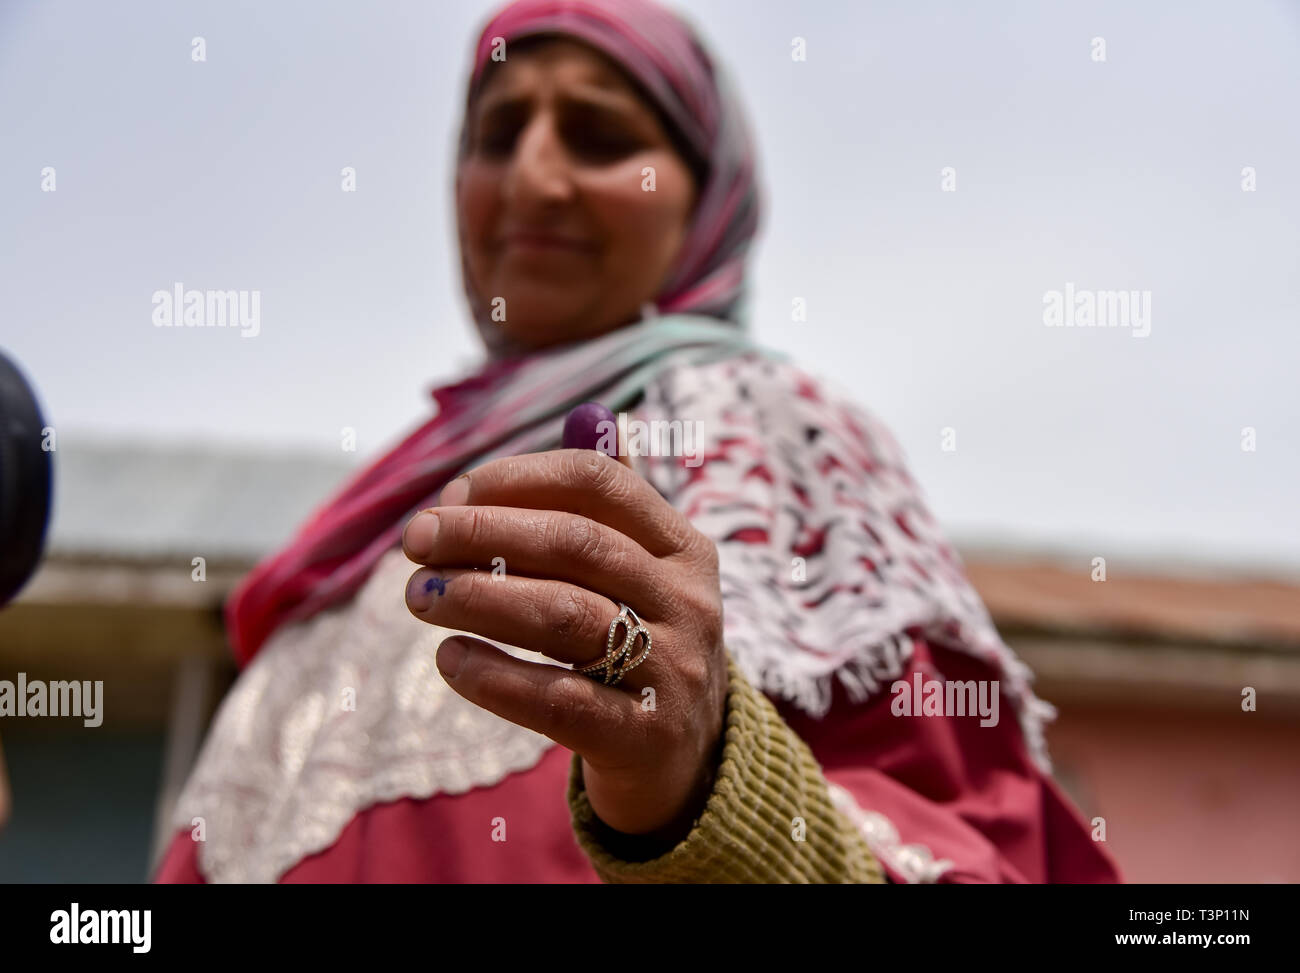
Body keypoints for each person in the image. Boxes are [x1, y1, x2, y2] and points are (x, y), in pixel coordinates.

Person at [155, 0, 1121, 884]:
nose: (535, 177)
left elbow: (977, 852)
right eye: (497, 136)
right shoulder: (368, 525)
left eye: (601, 135)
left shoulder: (780, 437)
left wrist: (704, 787)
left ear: (708, 199)